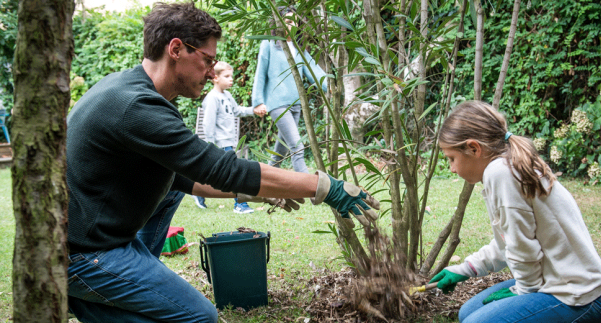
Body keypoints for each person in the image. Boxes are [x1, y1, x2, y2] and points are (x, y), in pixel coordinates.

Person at [65, 3, 378, 322]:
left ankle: (126, 282)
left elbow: (183, 178)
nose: (212, 72)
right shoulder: (138, 107)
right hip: (86, 253)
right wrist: (325, 187)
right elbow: (220, 168)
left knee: (170, 188)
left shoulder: (135, 90)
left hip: (88, 238)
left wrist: (254, 193)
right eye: (208, 60)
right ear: (176, 49)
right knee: (201, 316)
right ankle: (106, 284)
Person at [430, 101, 601, 323]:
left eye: (451, 158)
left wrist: (522, 292)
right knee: (467, 313)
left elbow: (522, 249)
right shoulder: (506, 166)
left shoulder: (501, 174)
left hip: (578, 294)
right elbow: (509, 241)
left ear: (474, 148)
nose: (452, 168)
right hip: (555, 282)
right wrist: (465, 269)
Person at [251, 6, 328, 174]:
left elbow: (314, 70)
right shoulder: (269, 44)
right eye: (286, 21)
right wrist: (257, 102)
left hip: (296, 104)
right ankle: (309, 190)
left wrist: (330, 85)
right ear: (277, 22)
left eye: (293, 21)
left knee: (282, 150)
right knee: (297, 146)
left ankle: (266, 181)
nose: (290, 25)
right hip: (277, 103)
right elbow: (260, 74)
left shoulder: (299, 47)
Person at [192, 61, 267, 213]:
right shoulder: (212, 98)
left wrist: (254, 110)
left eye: (231, 76)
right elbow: (208, 124)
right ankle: (240, 205)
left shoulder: (227, 95)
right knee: (233, 174)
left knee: (217, 175)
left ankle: (197, 191)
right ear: (215, 78)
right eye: (226, 76)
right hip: (219, 144)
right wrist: (210, 146)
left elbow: (237, 110)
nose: (231, 79)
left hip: (228, 142)